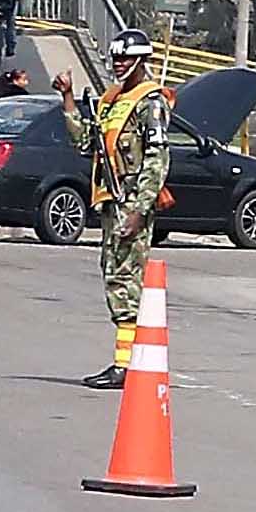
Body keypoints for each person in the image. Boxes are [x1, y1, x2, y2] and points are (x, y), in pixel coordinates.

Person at [80, 31, 170, 389]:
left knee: (125, 280)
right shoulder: (112, 100)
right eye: (115, 58)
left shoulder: (150, 102)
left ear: (140, 61)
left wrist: (139, 209)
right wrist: (69, 101)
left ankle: (126, 364)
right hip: (111, 199)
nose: (118, 64)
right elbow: (87, 144)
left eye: (124, 59)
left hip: (131, 200)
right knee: (113, 273)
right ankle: (126, 361)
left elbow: (158, 159)